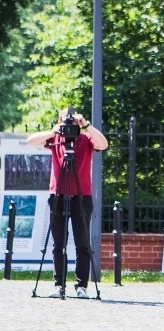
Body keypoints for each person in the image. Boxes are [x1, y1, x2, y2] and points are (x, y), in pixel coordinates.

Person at [26, 107, 108, 299]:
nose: (69, 125)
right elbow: (30, 141)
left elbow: (103, 144)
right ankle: (59, 285)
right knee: (58, 243)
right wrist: (54, 130)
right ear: (60, 121)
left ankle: (82, 286)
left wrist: (86, 125)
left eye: (72, 122)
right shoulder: (55, 139)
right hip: (58, 195)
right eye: (66, 121)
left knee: (82, 243)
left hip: (82, 195)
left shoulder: (86, 139)